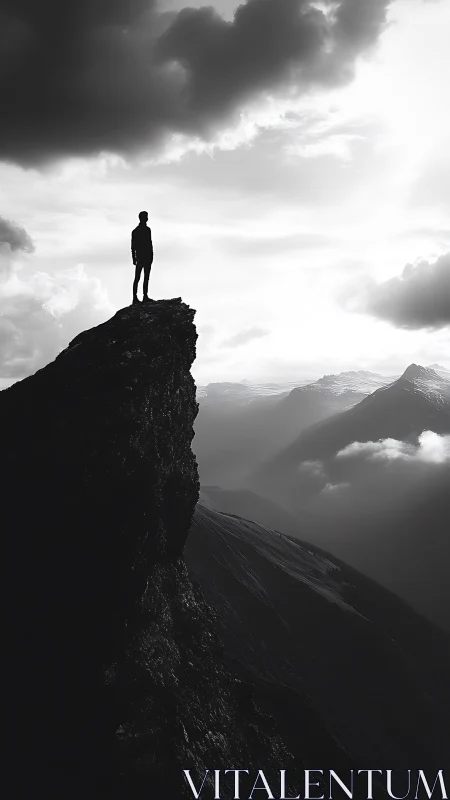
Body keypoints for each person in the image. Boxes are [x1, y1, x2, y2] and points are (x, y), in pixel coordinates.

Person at [131, 210, 153, 303]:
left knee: (146, 277)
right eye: (146, 217)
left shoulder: (147, 230)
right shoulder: (136, 231)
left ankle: (145, 296)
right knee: (138, 277)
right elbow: (133, 246)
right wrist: (134, 258)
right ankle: (135, 297)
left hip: (147, 256)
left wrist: (151, 254)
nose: (147, 218)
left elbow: (150, 243)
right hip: (141, 257)